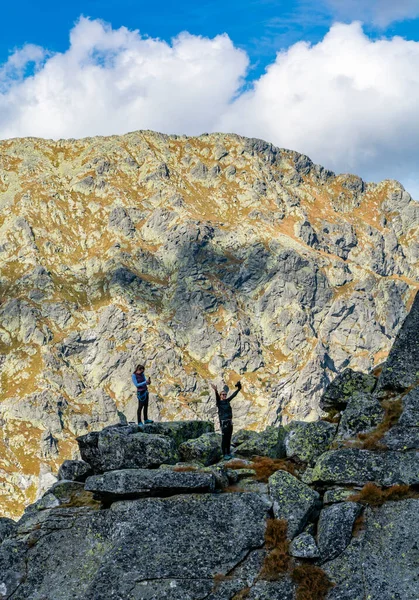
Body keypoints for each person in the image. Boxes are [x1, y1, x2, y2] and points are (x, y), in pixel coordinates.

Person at [210, 380, 242, 460]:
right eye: (223, 394)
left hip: (229, 422)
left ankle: (228, 452)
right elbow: (217, 397)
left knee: (229, 438)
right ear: (220, 395)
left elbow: (234, 395)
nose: (224, 395)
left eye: (225, 394)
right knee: (224, 439)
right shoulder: (219, 403)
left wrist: (239, 389)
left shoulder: (227, 401)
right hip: (224, 423)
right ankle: (224, 454)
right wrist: (216, 390)